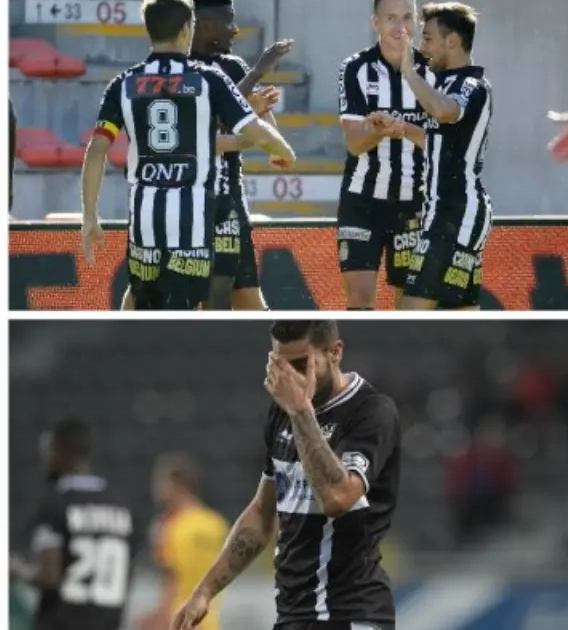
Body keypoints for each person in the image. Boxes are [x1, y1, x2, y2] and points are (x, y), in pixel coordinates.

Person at [169, 321, 402, 630]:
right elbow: (262, 514)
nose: (290, 377)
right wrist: (204, 592)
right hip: (293, 615)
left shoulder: (370, 411)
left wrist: (300, 411)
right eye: (281, 364)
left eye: (301, 364)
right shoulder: (283, 412)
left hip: (350, 613)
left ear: (335, 352)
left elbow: (337, 498)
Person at [81, 0, 295, 310]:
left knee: (146, 301)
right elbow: (251, 133)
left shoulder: (124, 83)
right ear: (188, 28)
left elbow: (97, 149)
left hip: (151, 214)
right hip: (195, 212)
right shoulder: (207, 79)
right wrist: (282, 149)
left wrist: (89, 214)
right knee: (198, 305)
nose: (234, 29)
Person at [192, 0, 289, 310]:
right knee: (203, 299)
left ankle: (274, 340)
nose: (235, 29)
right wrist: (257, 73)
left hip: (230, 200)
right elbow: (201, 133)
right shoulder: (180, 70)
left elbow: (264, 125)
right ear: (207, 26)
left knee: (247, 294)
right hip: (189, 199)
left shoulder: (233, 66)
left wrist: (269, 137)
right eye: (228, 22)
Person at [336, 0, 433, 310]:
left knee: (410, 302)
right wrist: (378, 130)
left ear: (417, 22)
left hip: (414, 202)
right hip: (362, 199)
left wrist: (404, 129)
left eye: (407, 17)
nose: (400, 27)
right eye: (391, 18)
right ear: (375, 22)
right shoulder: (355, 68)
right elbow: (354, 144)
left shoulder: (433, 69)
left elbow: (444, 144)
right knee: (359, 297)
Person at [395, 2, 493, 310]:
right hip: (447, 214)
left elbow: (445, 111)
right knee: (459, 316)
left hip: (455, 215)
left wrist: (408, 72)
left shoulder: (471, 84)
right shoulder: (444, 83)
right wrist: (399, 128)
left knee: (410, 313)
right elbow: (438, 142)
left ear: (452, 41)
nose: (422, 48)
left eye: (427, 38)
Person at [10, 419, 135, 630]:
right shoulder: (122, 507)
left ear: (61, 452)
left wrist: (17, 570)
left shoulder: (56, 503)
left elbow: (50, 577)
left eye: (48, 451)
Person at [138, 454, 229, 630]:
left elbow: (170, 578)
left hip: (178, 620)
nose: (156, 489)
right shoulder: (217, 524)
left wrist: (160, 617)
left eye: (161, 482)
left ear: (176, 485)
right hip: (210, 621)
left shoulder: (168, 526)